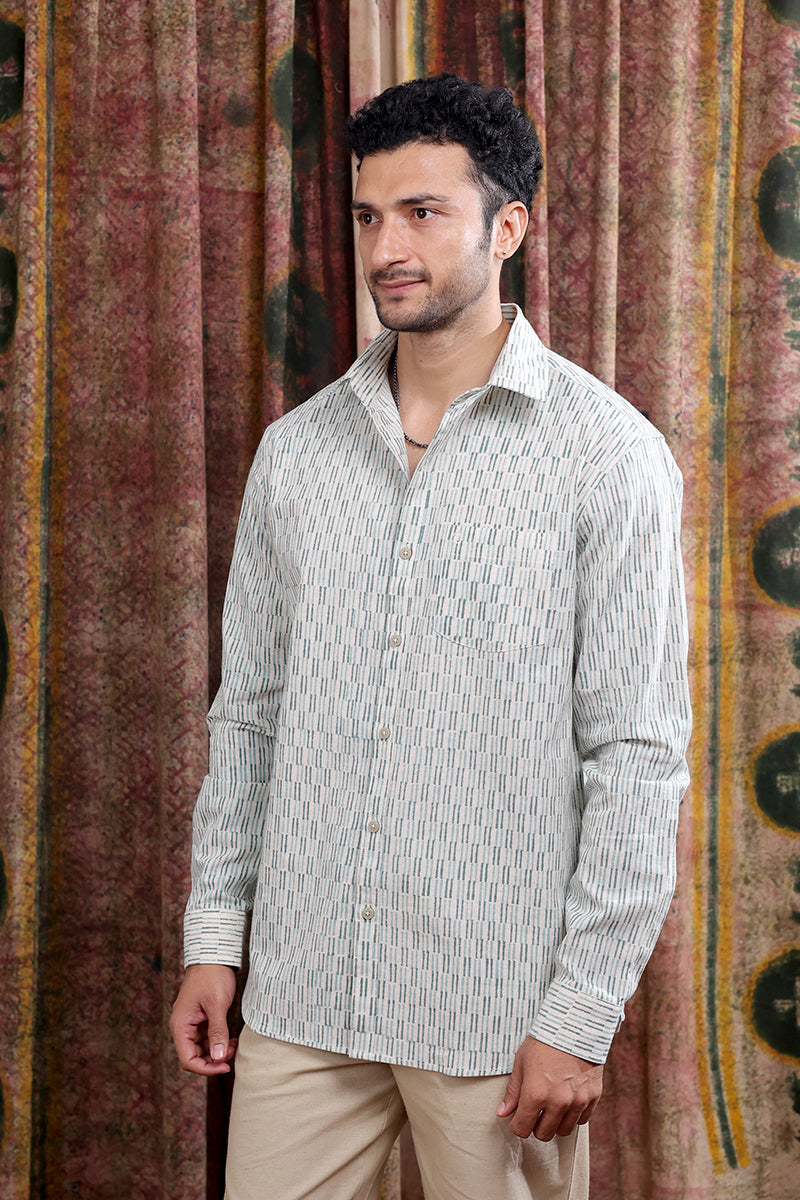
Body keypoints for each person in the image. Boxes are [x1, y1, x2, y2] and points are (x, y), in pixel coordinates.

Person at [170, 73, 692, 1200]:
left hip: (497, 1016)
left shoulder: (610, 459)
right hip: (304, 996)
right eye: (369, 216)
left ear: (507, 228)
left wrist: (579, 1014)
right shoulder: (295, 455)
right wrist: (215, 936)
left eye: (422, 213)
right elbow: (248, 713)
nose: (386, 249)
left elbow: (637, 757)